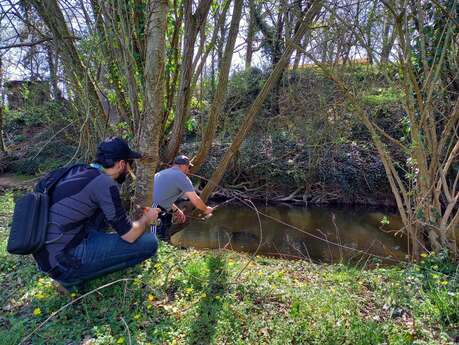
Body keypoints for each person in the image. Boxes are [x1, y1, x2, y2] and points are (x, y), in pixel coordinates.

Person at [33, 137, 160, 291]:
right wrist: (147, 218)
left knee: (100, 220)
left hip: (47, 257)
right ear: (121, 164)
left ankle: (72, 271)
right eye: (129, 164)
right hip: (64, 262)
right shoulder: (104, 183)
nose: (129, 170)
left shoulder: (77, 170)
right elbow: (130, 235)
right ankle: (72, 279)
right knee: (150, 242)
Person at [152, 154, 213, 240]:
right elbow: (195, 200)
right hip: (154, 210)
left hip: (149, 206)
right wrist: (206, 209)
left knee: (160, 236)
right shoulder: (182, 177)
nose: (188, 170)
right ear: (184, 166)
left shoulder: (161, 173)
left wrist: (176, 210)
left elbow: (162, 196)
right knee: (153, 239)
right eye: (188, 167)